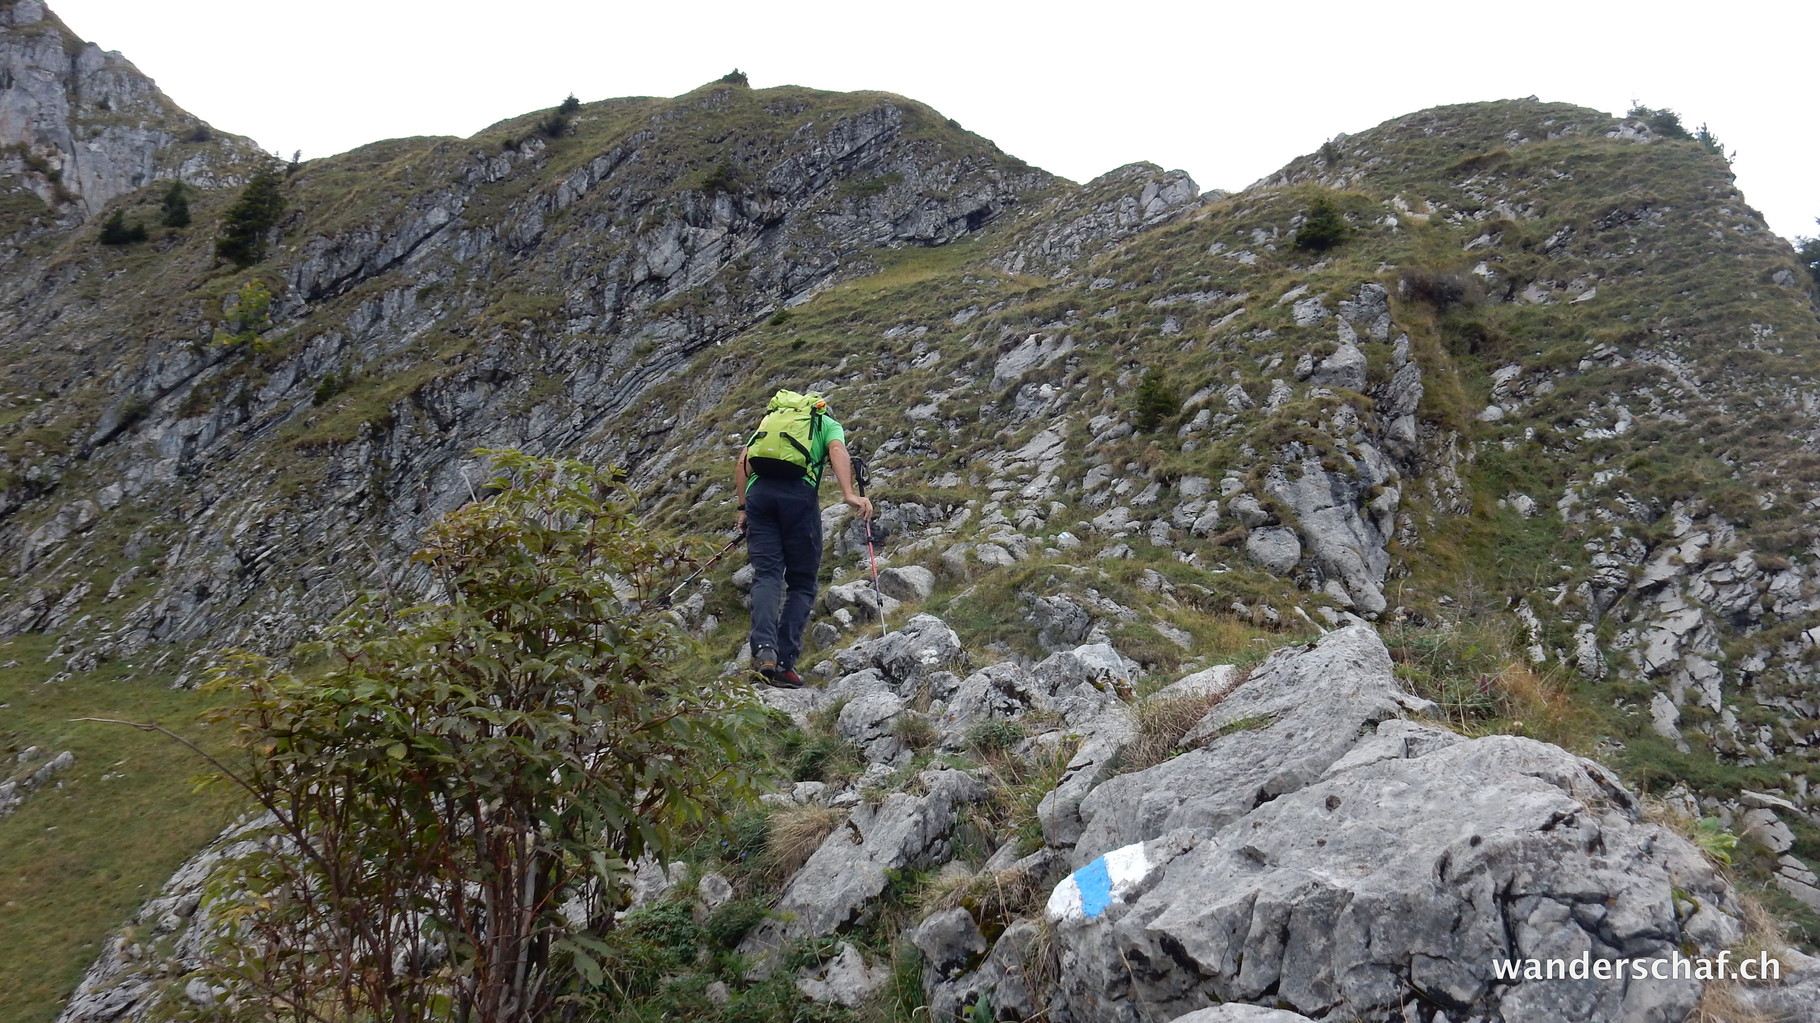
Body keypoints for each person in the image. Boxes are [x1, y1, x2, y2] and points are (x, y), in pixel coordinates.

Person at [735, 393, 871, 687]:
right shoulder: (827, 424)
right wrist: (849, 494)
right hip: (798, 496)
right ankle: (784, 665)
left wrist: (744, 507)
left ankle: (764, 652)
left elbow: (743, 460)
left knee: (767, 574)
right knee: (802, 582)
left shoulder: (771, 422)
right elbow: (837, 450)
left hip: (760, 497)